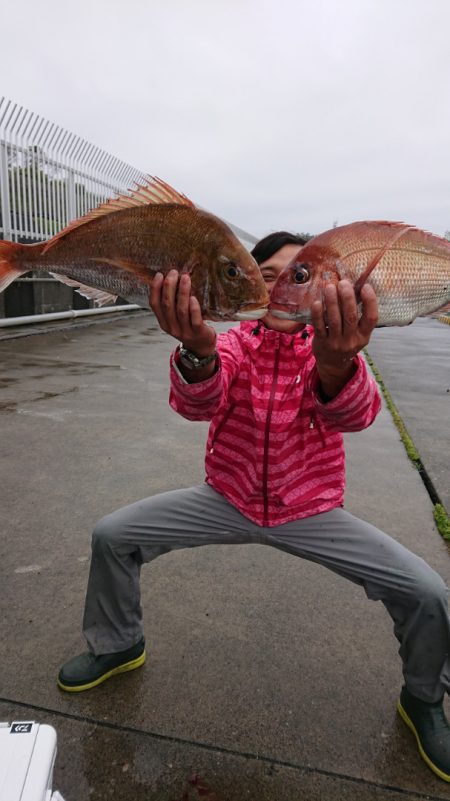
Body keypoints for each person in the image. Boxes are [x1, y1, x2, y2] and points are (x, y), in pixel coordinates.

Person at [58, 231, 450, 782]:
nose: (282, 292)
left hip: (311, 511)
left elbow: (355, 416)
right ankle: (118, 645)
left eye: (301, 276)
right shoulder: (236, 343)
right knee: (113, 536)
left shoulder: (330, 348)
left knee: (427, 592)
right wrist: (196, 349)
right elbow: (200, 400)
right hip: (226, 498)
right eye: (268, 278)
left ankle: (424, 699)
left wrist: (336, 366)